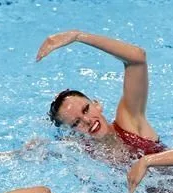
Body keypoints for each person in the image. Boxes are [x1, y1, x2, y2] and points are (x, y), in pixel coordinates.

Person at [37, 28, 166, 162]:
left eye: (86, 110)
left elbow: (137, 58)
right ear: (73, 134)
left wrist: (78, 36)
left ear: (97, 105)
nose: (87, 121)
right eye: (76, 123)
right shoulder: (84, 155)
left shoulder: (129, 122)